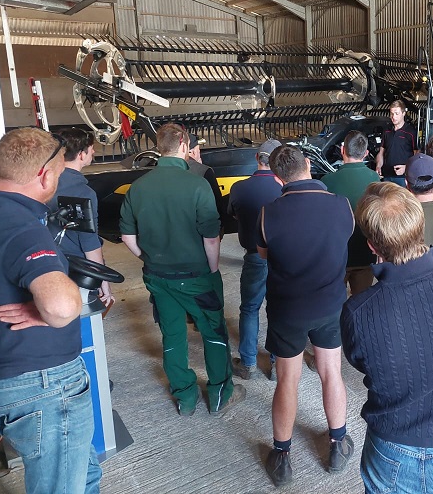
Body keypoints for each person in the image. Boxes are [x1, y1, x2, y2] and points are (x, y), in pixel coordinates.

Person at [341, 182, 433, 493]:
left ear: (372, 245)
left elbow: (360, 362)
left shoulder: (358, 311)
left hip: (393, 450)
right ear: (419, 225)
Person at [0, 127, 102, 493]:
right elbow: (62, 305)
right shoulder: (24, 228)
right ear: (44, 175)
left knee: (86, 475)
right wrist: (42, 311)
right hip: (44, 385)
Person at [119, 123, 244, 416]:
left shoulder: (138, 187)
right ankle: (219, 394)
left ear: (158, 147)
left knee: (172, 335)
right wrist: (211, 271)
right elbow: (211, 237)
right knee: (213, 334)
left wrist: (148, 258)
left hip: (158, 277)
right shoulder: (198, 184)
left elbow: (127, 237)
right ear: (185, 145)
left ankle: (185, 398)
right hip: (197, 276)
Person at [258, 146, 355, 486]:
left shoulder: (269, 213)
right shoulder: (341, 205)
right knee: (331, 372)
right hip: (329, 306)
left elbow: (263, 251)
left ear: (276, 177)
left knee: (288, 380)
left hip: (288, 310)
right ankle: (338, 443)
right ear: (309, 165)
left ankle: (282, 456)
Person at [226, 138, 282, 381]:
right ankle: (276, 364)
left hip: (254, 257)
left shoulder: (239, 188)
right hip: (283, 259)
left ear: (256, 158)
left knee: (250, 308)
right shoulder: (285, 188)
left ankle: (248, 363)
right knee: (278, 309)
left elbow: (233, 215)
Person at [50, 126, 115, 309]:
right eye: (90, 148)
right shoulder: (83, 192)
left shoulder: (45, 183)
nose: (93, 151)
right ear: (81, 154)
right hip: (76, 271)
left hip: (49, 265)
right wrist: (104, 282)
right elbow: (89, 243)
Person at [321, 130, 380, 295]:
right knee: (361, 305)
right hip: (365, 253)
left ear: (342, 150)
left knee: (335, 306)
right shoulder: (374, 179)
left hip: (337, 255)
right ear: (366, 153)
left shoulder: (327, 181)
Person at [187, 133, 226, 227]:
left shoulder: (163, 170)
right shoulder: (205, 171)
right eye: (198, 150)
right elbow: (217, 204)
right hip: (201, 228)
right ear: (193, 152)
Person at [375, 100, 417, 186]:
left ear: (403, 113)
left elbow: (417, 155)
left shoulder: (411, 132)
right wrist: (378, 166)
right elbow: (381, 152)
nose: (393, 117)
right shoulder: (387, 131)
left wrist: (406, 168)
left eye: (397, 114)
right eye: (391, 113)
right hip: (387, 175)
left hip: (403, 177)